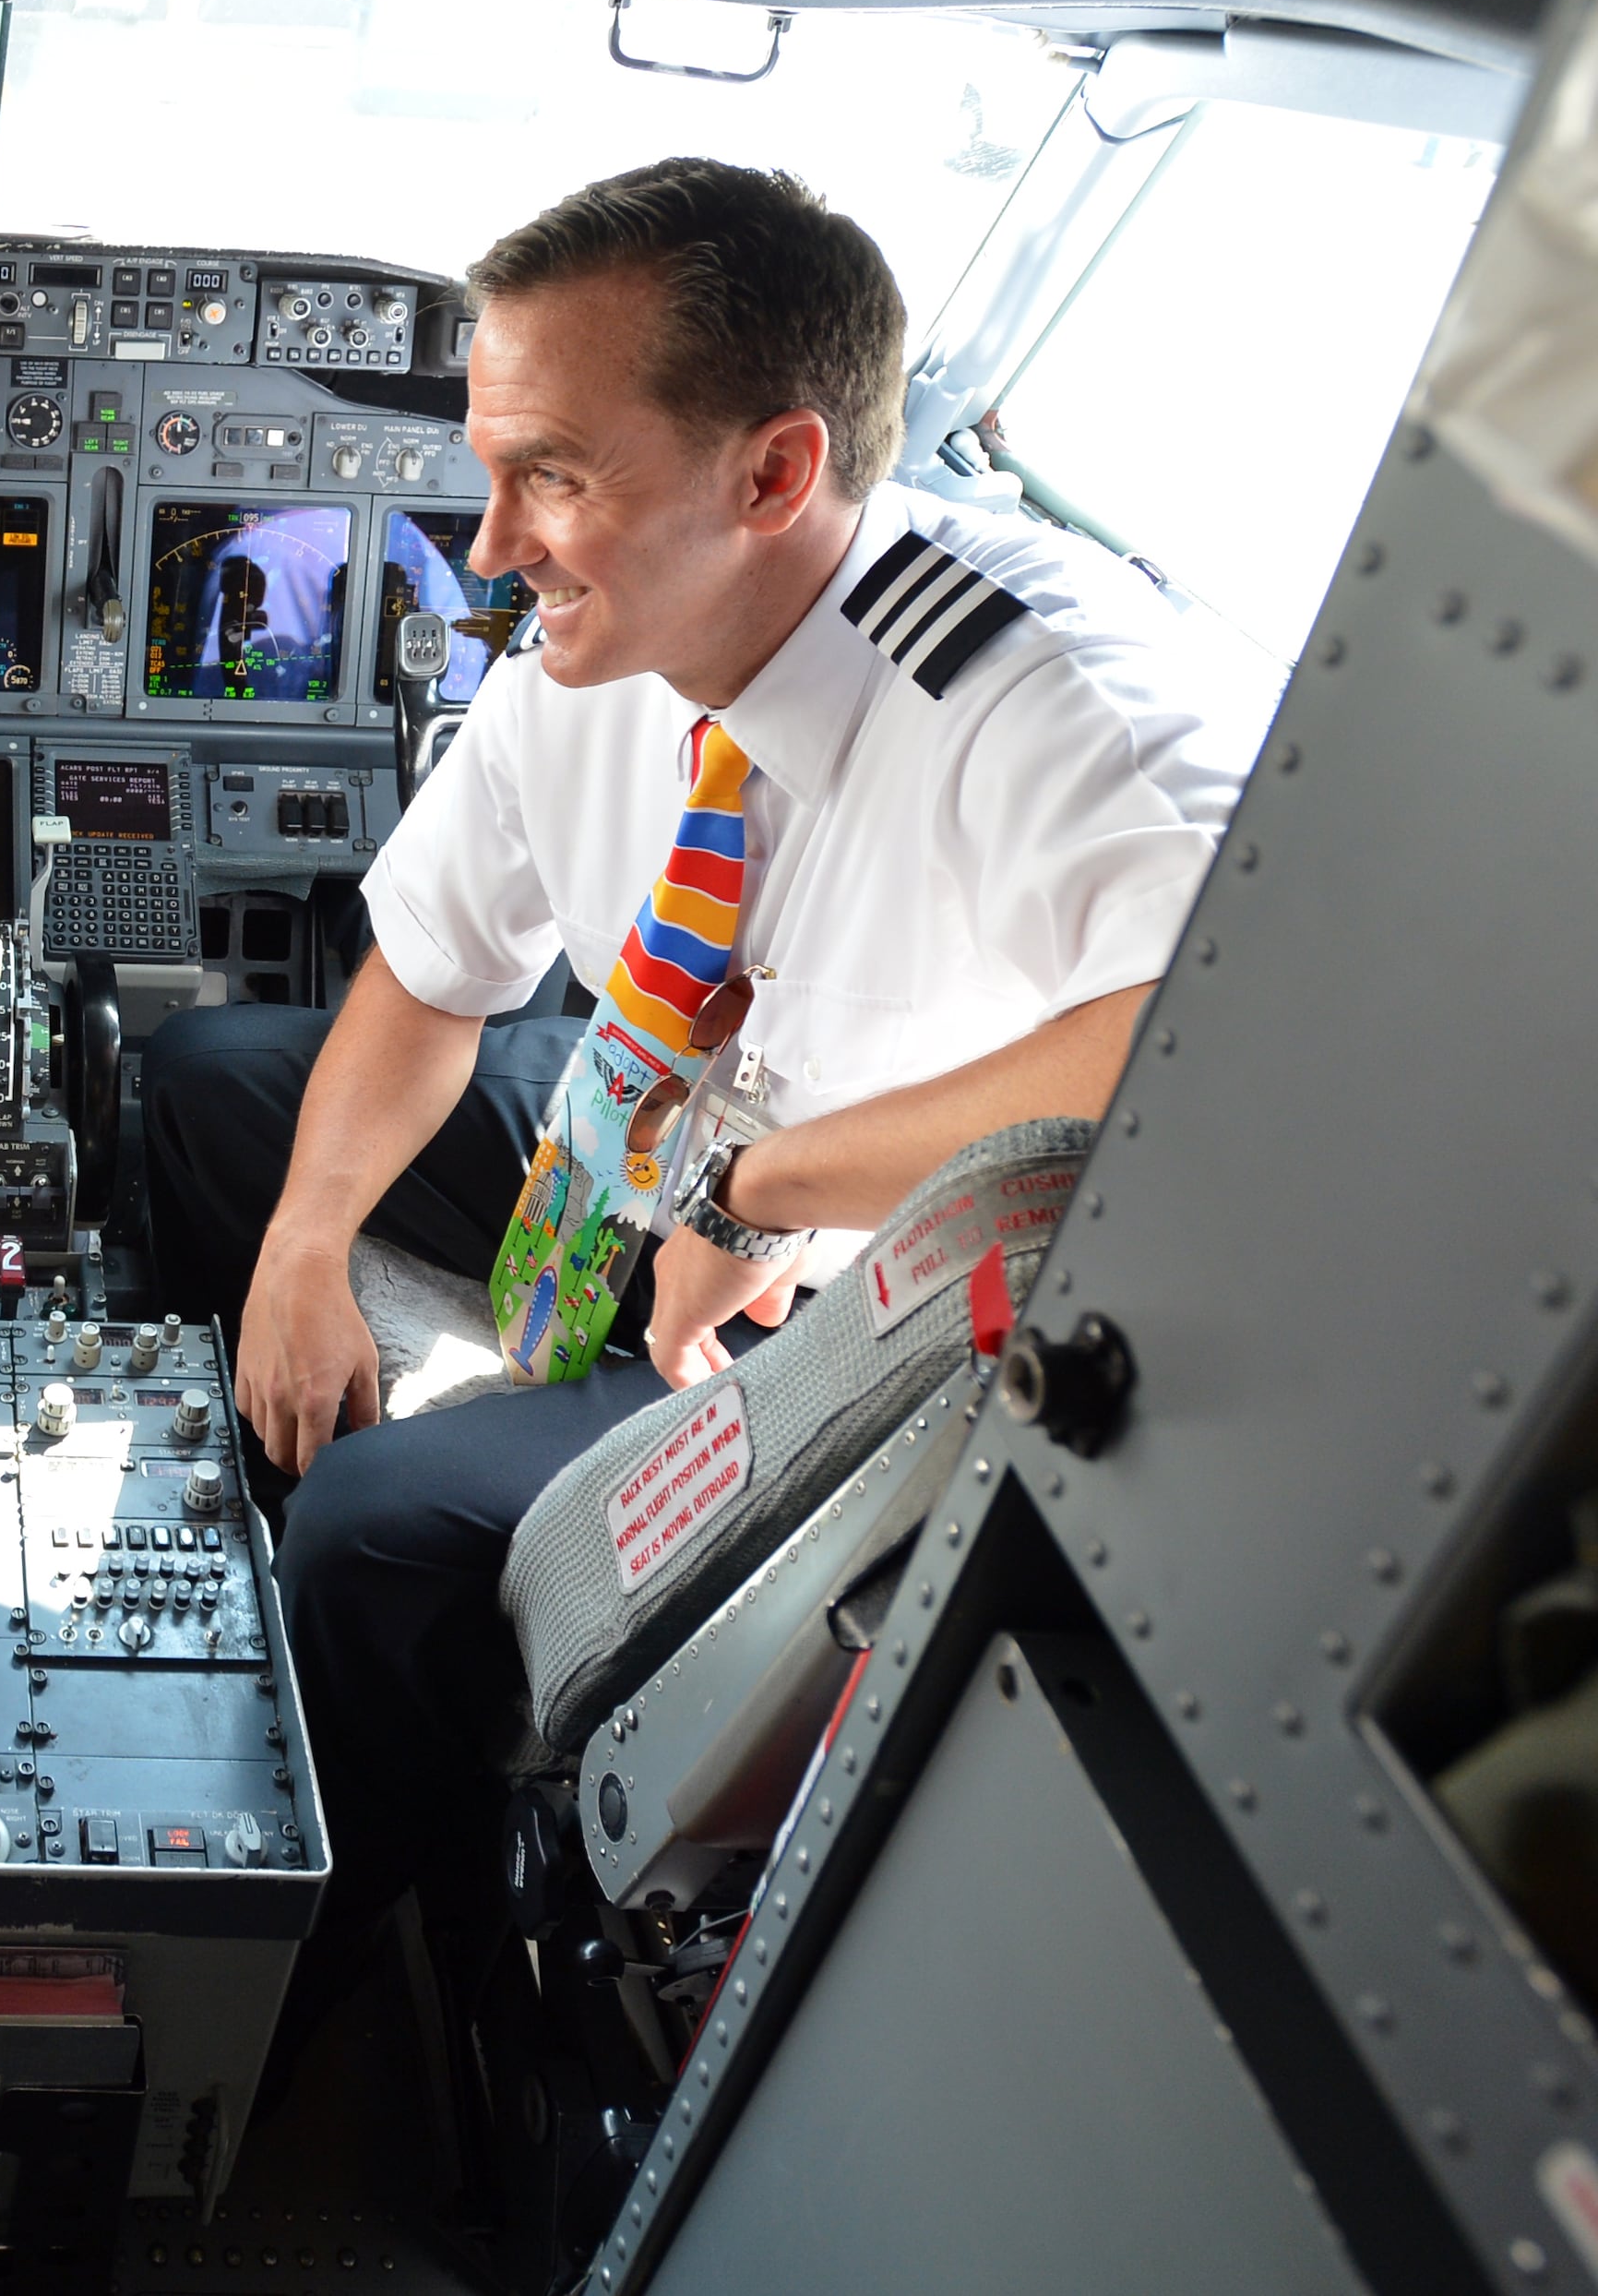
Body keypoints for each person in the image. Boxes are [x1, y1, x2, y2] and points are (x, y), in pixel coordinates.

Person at [137, 159, 1266, 2091]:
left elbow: (1221, 1029)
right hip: (651, 1140)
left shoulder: (1036, 696)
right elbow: (426, 969)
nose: (488, 546)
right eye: (493, 470)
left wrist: (756, 1186)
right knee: (215, 1085)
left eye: (552, 474)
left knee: (373, 1534)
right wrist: (306, 1250)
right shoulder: (596, 658)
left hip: (846, 1296)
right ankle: (215, 1508)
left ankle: (303, 1978)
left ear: (772, 471)